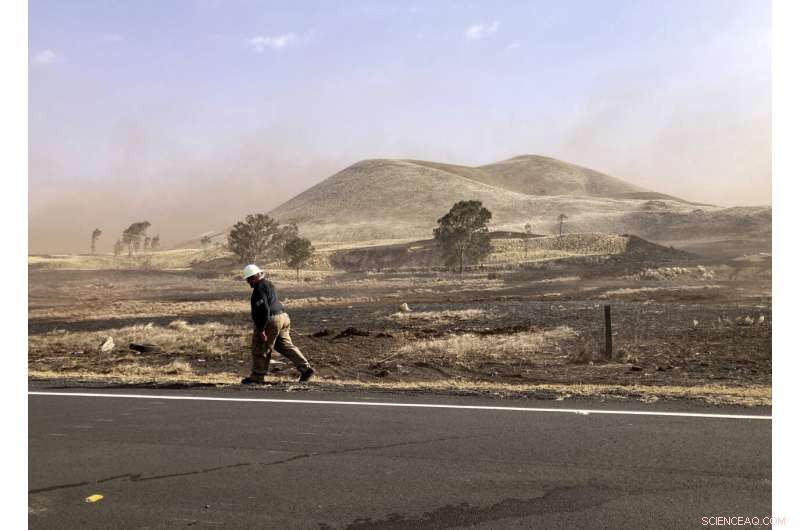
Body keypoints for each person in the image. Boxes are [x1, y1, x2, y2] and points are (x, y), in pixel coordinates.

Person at [241, 264, 315, 384]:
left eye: (249, 279)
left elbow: (264, 310)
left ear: (255, 277)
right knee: (285, 346)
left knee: (261, 347)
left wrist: (261, 330)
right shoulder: (268, 284)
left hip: (272, 320)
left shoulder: (259, 289)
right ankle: (306, 369)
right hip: (283, 317)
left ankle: (257, 377)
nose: (248, 282)